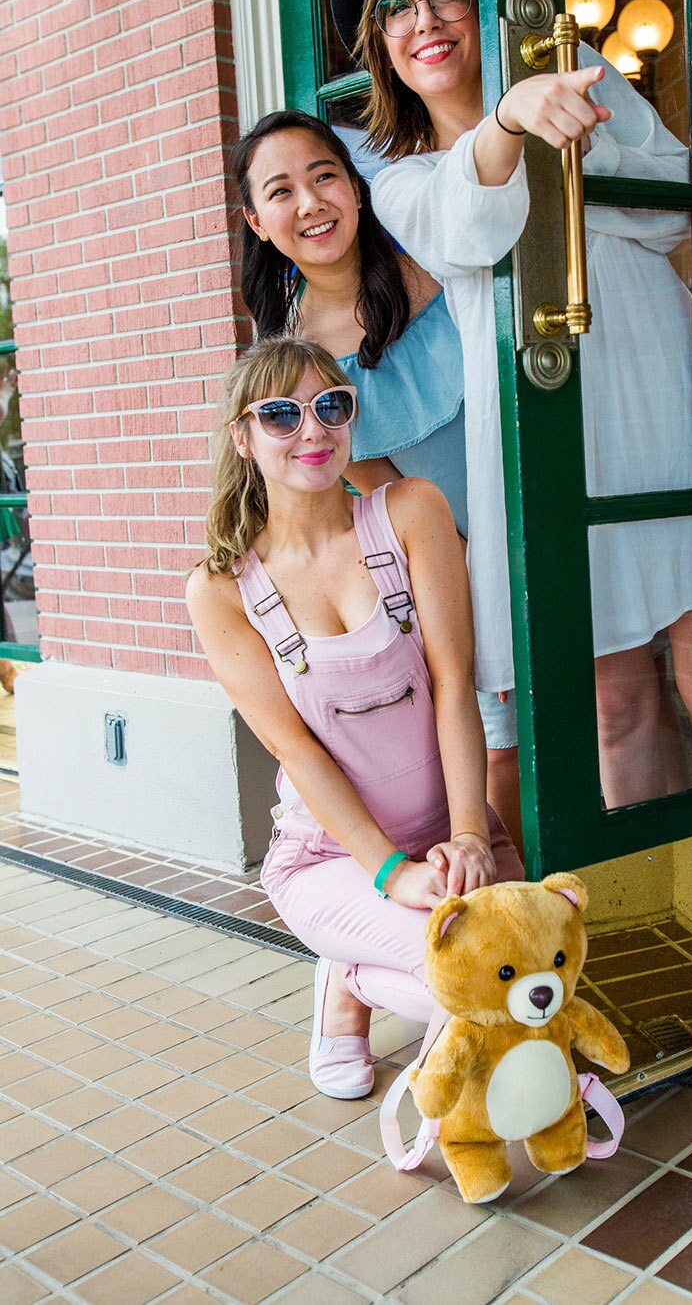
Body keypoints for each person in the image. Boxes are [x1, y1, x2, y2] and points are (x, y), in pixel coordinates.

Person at [329, 0, 692, 806]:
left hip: (662, 408)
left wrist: (543, 156)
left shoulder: (576, 72)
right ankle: (649, 899)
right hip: (553, 437)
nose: (424, 18)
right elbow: (470, 228)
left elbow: (670, 202)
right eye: (396, 6)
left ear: (488, 4)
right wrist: (511, 122)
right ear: (380, 42)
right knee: (615, 706)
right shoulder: (401, 180)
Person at [186, 337, 522, 1099]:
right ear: (242, 437)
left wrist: (470, 835)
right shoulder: (220, 590)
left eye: (330, 406)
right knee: (467, 973)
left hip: (453, 836)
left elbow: (452, 682)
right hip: (334, 860)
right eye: (281, 414)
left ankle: (357, 971)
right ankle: (350, 984)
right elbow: (297, 752)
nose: (313, 430)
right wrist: (389, 873)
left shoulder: (410, 512)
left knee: (524, 957)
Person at [231, 110, 522, 845]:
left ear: (357, 188)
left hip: (537, 509)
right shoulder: (296, 361)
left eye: (324, 175)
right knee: (503, 750)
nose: (310, 202)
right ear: (257, 222)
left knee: (604, 710)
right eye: (282, 191)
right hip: (448, 563)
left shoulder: (439, 257)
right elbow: (377, 483)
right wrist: (463, 568)